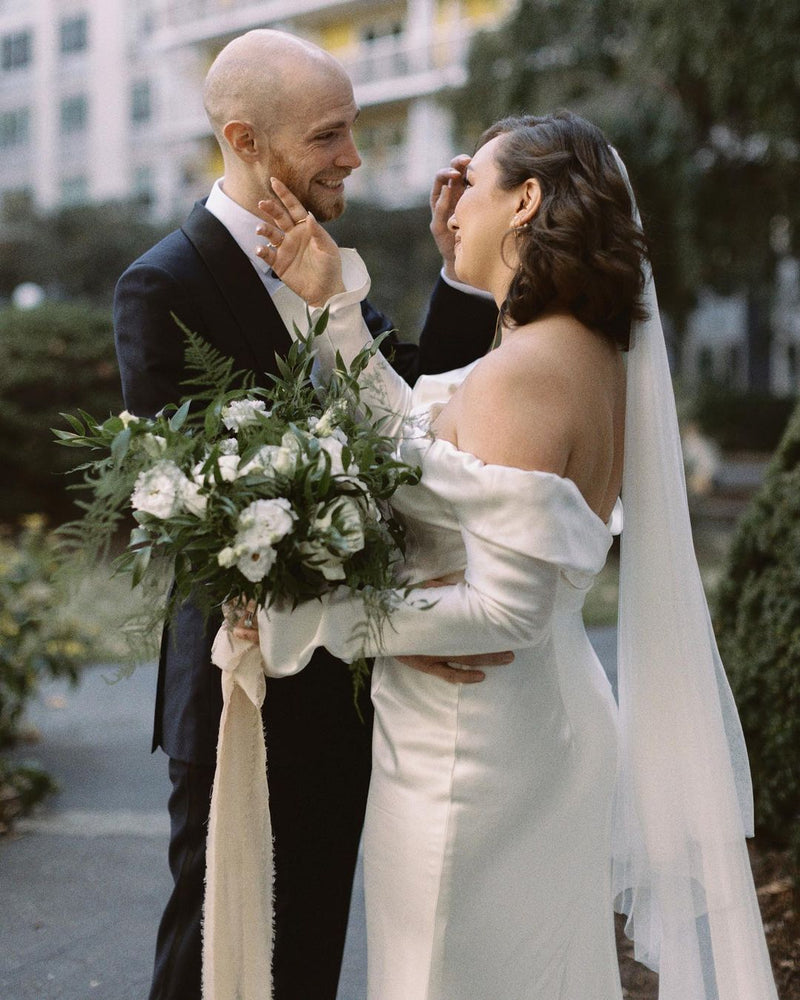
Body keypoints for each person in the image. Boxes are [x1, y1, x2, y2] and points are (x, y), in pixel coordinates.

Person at [223, 111, 779, 1000]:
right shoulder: (558, 348)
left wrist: (317, 617)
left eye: (471, 185)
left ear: (525, 201)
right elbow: (424, 446)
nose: (450, 206)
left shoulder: (530, 369)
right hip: (516, 727)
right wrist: (339, 306)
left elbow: (504, 612)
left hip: (477, 747)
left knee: (444, 978)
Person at [112, 28, 502, 1000]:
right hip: (237, 680)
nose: (352, 157)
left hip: (345, 680)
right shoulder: (163, 283)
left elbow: (414, 399)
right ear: (245, 139)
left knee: (315, 941)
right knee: (210, 948)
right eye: (328, 135)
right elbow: (187, 494)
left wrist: (456, 267)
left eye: (353, 130)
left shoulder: (333, 263)